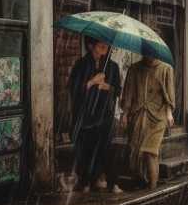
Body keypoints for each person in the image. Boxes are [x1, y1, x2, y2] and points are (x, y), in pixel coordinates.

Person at [68, 37, 122, 193]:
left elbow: (117, 90)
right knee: (86, 149)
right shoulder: (81, 65)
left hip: (105, 113)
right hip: (86, 115)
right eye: (101, 44)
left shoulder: (112, 67)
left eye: (106, 44)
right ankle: (86, 182)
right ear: (91, 46)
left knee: (107, 148)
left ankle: (112, 183)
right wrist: (91, 82)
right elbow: (74, 89)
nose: (105, 47)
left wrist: (107, 86)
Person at [120, 56, 175, 190]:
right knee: (136, 151)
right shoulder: (134, 69)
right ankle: (142, 181)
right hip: (138, 115)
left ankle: (152, 188)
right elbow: (128, 93)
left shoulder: (165, 69)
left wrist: (169, 113)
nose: (149, 55)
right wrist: (125, 114)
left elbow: (169, 95)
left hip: (157, 117)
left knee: (150, 152)